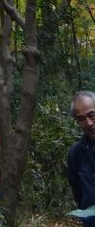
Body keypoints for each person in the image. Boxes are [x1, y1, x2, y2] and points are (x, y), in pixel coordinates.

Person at [67, 90, 95, 227]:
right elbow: (77, 191)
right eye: (81, 118)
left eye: (92, 115)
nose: (89, 123)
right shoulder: (75, 153)